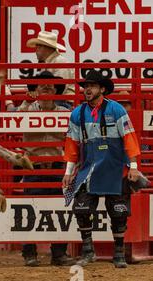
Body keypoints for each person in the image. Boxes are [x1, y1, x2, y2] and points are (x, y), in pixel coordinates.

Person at [62, 70, 141, 268]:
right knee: (81, 207)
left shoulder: (116, 110)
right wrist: (68, 172)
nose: (87, 89)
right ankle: (88, 250)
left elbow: (129, 138)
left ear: (102, 89)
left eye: (92, 86)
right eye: (85, 86)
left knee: (119, 212)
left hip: (116, 168)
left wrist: (133, 166)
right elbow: (72, 143)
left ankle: (119, 253)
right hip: (89, 168)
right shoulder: (77, 113)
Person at [18, 71, 75, 267]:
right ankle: (29, 252)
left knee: (59, 208)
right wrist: (26, 102)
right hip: (35, 165)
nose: (47, 86)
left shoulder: (64, 113)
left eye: (50, 84)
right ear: (35, 89)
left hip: (57, 165)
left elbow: (72, 139)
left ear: (56, 89)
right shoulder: (26, 109)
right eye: (42, 84)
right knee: (30, 208)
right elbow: (15, 121)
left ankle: (58, 252)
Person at [15, 31, 75, 111]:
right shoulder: (49, 63)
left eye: (38, 47)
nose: (36, 50)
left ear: (46, 47)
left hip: (63, 103)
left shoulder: (60, 62)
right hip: (53, 101)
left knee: (17, 110)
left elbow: (60, 92)